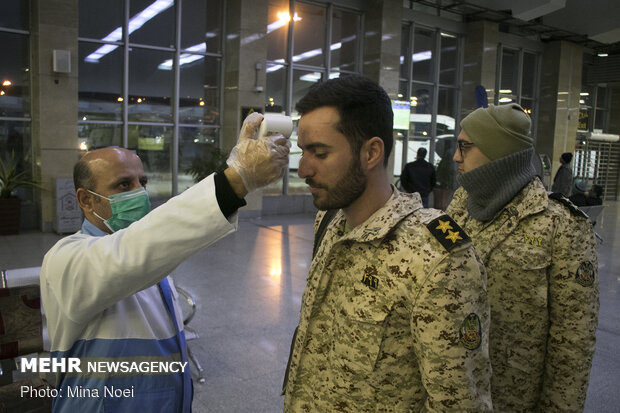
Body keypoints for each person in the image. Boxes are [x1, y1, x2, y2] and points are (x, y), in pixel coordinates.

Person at [40, 113, 290, 413]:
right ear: (86, 200)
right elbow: (129, 255)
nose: (139, 192)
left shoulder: (154, 270)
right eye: (123, 185)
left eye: (141, 182)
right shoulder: (65, 259)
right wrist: (235, 180)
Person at [282, 75, 492, 412]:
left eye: (319, 153)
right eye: (303, 152)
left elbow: (458, 403)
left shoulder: (437, 259)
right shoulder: (330, 221)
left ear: (371, 152)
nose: (303, 169)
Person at [447, 103, 599, 412]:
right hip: (454, 389)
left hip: (513, 397)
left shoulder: (561, 225)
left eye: (465, 146)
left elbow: (573, 344)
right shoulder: (461, 207)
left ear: (497, 153)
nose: (456, 156)